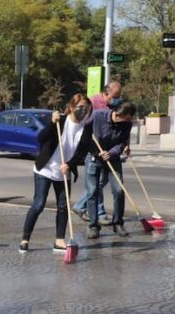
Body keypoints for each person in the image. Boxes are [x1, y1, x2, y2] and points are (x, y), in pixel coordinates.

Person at [19, 94, 93, 254]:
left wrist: (70, 165)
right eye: (80, 107)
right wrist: (52, 123)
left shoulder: (85, 128)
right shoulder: (61, 121)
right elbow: (41, 138)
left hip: (63, 172)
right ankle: (25, 239)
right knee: (38, 204)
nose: (83, 110)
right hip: (45, 169)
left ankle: (59, 240)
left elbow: (81, 152)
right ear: (72, 107)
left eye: (86, 108)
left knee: (63, 206)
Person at [73, 81, 124, 224]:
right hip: (95, 149)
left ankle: (81, 206)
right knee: (95, 183)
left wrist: (124, 144)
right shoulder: (93, 102)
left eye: (119, 96)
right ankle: (99, 213)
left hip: (110, 149)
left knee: (104, 180)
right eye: (115, 96)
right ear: (105, 93)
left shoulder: (115, 105)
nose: (117, 99)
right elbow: (84, 123)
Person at [85, 102, 136, 239]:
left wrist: (112, 153)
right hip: (94, 157)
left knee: (119, 190)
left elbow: (122, 142)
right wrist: (97, 152)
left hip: (113, 158)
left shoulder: (127, 124)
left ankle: (118, 223)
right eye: (127, 118)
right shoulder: (97, 116)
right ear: (118, 115)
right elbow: (85, 134)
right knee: (92, 192)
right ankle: (93, 226)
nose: (129, 121)